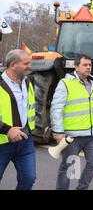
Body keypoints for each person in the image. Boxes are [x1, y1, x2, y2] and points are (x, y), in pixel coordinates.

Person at [50, 55, 93, 190]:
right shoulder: (65, 83)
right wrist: (58, 131)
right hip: (73, 136)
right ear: (76, 67)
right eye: (85, 65)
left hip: (92, 134)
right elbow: (56, 108)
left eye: (90, 65)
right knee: (68, 167)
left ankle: (82, 187)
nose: (88, 67)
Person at [0, 50, 36, 190]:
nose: (30, 66)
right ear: (13, 65)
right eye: (26, 63)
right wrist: (7, 129)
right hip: (2, 143)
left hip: (25, 141)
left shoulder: (28, 81)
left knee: (28, 179)